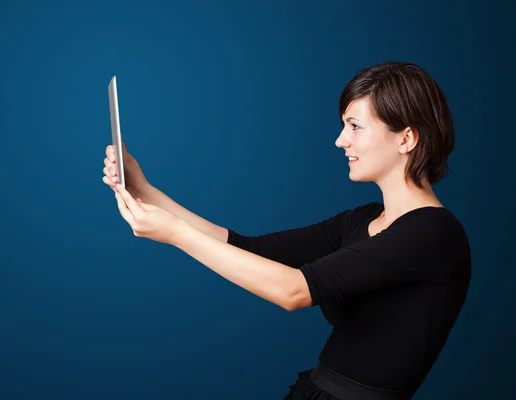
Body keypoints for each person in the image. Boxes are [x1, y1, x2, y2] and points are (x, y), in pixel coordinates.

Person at [102, 61, 471, 399]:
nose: (341, 140)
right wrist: (145, 190)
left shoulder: (434, 234)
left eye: (355, 127)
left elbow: (293, 290)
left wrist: (176, 235)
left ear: (406, 139)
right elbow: (249, 248)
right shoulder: (362, 219)